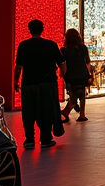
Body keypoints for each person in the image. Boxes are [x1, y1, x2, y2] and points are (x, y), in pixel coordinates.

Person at [14, 19, 66, 149]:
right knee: (46, 110)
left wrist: (16, 81)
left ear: (29, 29)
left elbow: (18, 67)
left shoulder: (23, 45)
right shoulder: (51, 45)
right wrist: (61, 75)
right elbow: (62, 63)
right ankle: (45, 138)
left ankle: (29, 139)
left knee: (28, 111)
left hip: (28, 83)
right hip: (47, 83)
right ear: (42, 29)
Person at [60, 29, 91, 123]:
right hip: (82, 73)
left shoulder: (64, 50)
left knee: (75, 93)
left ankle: (67, 111)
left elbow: (62, 64)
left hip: (70, 74)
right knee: (81, 93)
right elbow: (87, 62)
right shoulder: (83, 48)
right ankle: (81, 114)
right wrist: (88, 73)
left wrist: (62, 74)